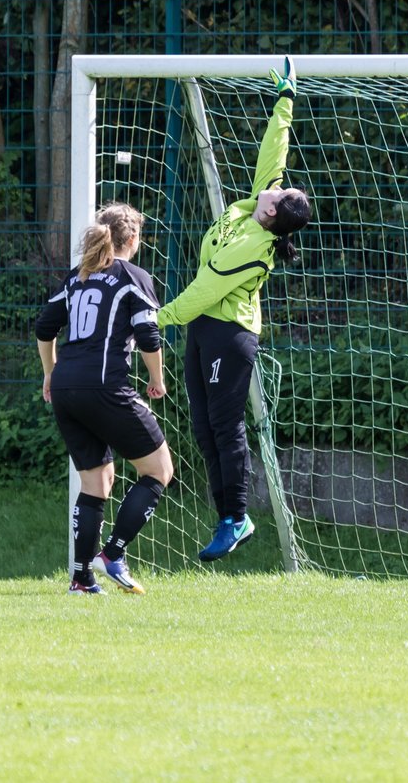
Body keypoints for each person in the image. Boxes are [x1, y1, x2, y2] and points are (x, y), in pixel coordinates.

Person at [156, 57, 312, 562]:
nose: (278, 181)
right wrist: (285, 98)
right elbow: (275, 151)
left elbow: (203, 290)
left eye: (280, 188)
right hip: (204, 329)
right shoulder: (258, 207)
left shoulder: (250, 247)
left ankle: (236, 516)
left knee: (226, 428)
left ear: (272, 211)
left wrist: (155, 318)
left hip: (229, 335)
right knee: (203, 429)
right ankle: (227, 517)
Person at [36, 202, 173, 595]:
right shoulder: (133, 276)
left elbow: (44, 327)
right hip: (103, 386)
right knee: (159, 470)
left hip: (65, 389)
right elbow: (148, 336)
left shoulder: (77, 278)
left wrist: (49, 373)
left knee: (97, 481)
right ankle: (112, 553)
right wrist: (156, 379)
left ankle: (81, 579)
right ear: (132, 240)